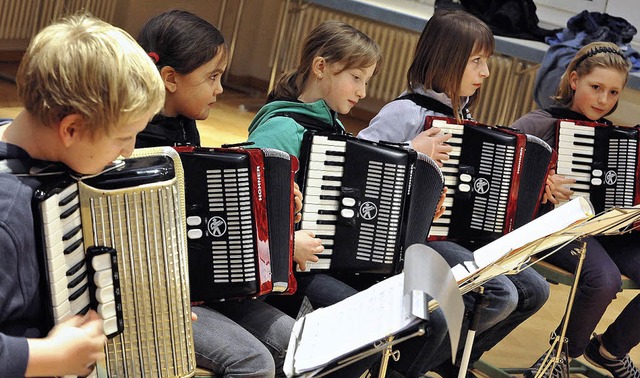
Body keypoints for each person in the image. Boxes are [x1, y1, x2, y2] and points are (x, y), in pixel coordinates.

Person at [246, 19, 520, 377]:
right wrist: (288, 240)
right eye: (356, 78)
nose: (362, 92)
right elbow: (249, 208)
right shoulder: (281, 127)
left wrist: (422, 197)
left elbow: (360, 201)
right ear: (320, 67)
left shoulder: (335, 129)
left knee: (429, 317)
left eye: (367, 80)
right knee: (376, 326)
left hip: (333, 259)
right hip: (291, 267)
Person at [357, 10, 551, 376]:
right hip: (415, 238)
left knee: (535, 289)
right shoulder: (404, 112)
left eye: (486, 61)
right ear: (447, 59)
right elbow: (360, 170)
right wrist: (410, 150)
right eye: (477, 61)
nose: (486, 73)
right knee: (501, 293)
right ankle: (407, 367)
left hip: (456, 235)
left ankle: (453, 361)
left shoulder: (461, 116)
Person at [0, 14, 165, 377]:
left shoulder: (39, 152)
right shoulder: (6, 214)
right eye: (123, 137)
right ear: (71, 128)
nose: (127, 152)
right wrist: (47, 357)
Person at [135, 10, 296, 377]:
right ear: (170, 79)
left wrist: (278, 210)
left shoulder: (184, 128)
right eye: (212, 77)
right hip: (160, 298)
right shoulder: (134, 144)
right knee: (253, 363)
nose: (220, 89)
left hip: (205, 286)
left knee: (297, 340)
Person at [511, 41, 640, 378]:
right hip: (555, 227)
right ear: (573, 80)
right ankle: (560, 355)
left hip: (607, 232)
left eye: (613, 93)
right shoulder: (540, 122)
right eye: (595, 88)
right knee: (604, 279)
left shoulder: (615, 137)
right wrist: (542, 185)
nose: (603, 100)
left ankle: (610, 349)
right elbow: (502, 171)